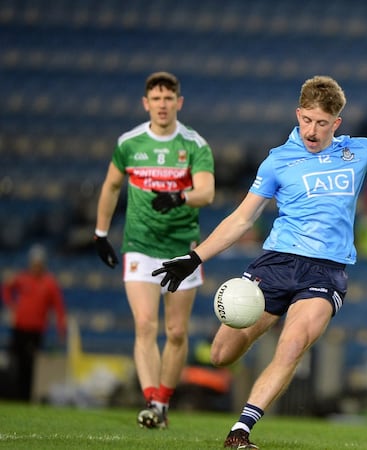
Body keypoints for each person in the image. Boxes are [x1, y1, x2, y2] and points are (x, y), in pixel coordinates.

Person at [151, 75, 367, 449]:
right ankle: (255, 331)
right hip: (276, 263)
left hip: (325, 272)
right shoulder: (277, 161)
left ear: (337, 123)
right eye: (307, 120)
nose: (312, 131)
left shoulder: (356, 151)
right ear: (298, 114)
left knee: (293, 342)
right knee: (221, 354)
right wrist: (195, 256)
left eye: (322, 123)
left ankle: (241, 431)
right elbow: (241, 219)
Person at [92, 71, 215, 429]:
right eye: (156, 99)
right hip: (140, 246)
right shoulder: (129, 143)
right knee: (145, 325)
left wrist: (179, 195)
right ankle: (151, 403)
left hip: (181, 249)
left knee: (176, 332)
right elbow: (111, 186)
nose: (162, 105)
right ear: (146, 104)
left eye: (168, 98)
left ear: (179, 102)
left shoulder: (194, 145)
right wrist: (100, 234)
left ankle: (162, 403)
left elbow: (206, 192)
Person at [1, 244, 67, 401]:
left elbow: (59, 307)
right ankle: (12, 395)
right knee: (15, 362)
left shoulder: (49, 283)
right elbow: (6, 288)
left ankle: (25, 397)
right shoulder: (22, 278)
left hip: (35, 330)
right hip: (19, 328)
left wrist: (61, 329)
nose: (36, 266)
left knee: (30, 365)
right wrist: (11, 305)